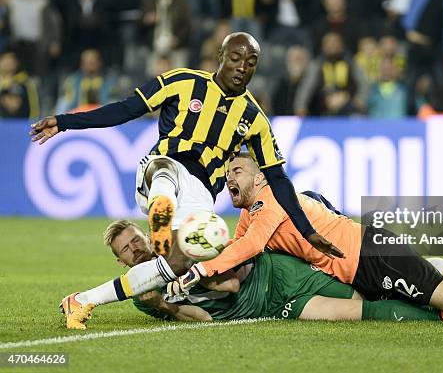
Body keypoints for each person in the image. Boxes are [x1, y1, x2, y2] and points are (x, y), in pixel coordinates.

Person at [29, 32, 343, 329]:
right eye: (235, 58)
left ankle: (82, 301)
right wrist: (65, 122)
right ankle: (161, 210)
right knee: (165, 172)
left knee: (177, 263)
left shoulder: (254, 118)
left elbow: (277, 177)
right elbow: (125, 110)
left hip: (202, 194)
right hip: (166, 167)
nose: (242, 67)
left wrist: (307, 230)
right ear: (220, 56)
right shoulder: (182, 82)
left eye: (251, 62)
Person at [168, 153, 443, 324]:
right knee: (440, 316)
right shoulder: (246, 217)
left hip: (371, 253)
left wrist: (201, 268)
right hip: (357, 273)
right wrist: (189, 266)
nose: (229, 179)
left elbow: (253, 246)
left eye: (236, 172)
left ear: (258, 176)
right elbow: (241, 254)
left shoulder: (274, 193)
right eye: (226, 177)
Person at [102, 220, 443, 326]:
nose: (136, 248)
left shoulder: (187, 245)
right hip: (275, 307)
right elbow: (203, 317)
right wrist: (166, 304)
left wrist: (196, 275)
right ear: (123, 264)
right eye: (127, 250)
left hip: (296, 274)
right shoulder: (149, 298)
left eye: (135, 239)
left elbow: (233, 273)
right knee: (403, 312)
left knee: (441, 290)